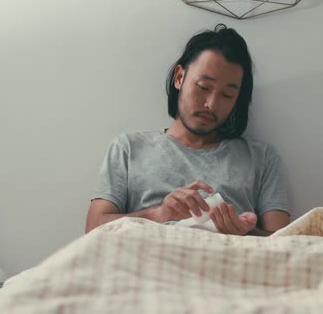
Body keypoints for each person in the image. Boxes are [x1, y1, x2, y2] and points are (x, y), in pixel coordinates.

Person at [85, 24, 290, 236]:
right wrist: (159, 213)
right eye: (203, 87)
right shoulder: (129, 148)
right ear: (179, 78)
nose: (211, 104)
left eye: (227, 95)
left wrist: (243, 233)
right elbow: (94, 227)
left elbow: (286, 242)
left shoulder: (261, 158)